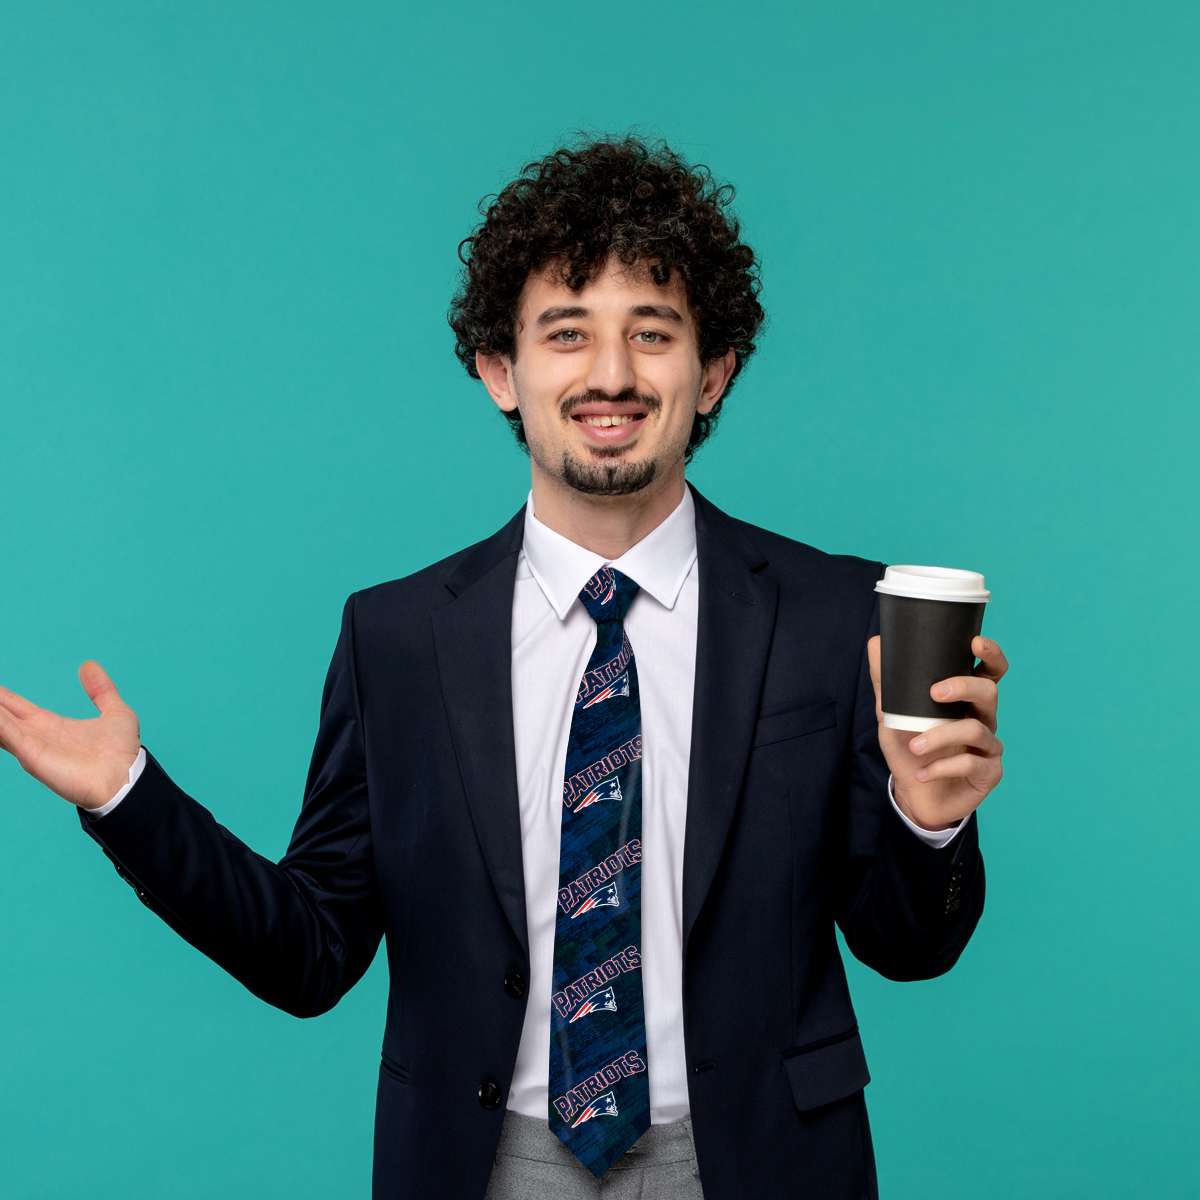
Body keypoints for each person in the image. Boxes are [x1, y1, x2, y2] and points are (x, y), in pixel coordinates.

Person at [0, 135, 1007, 1200]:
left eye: (652, 335)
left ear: (713, 372)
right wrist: (128, 796)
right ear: (500, 371)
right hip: (485, 1166)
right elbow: (312, 953)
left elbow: (909, 946)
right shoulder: (396, 638)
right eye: (565, 335)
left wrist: (930, 818)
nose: (610, 376)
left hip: (759, 1159)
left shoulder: (836, 614)